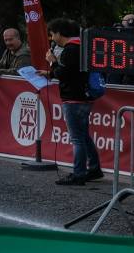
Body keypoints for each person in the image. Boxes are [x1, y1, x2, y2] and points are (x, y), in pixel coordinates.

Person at [44, 18, 103, 186]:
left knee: (77, 138)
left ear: (59, 33)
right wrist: (49, 73)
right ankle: (94, 168)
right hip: (85, 96)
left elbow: (64, 74)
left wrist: (52, 61)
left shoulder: (71, 49)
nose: (52, 38)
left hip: (73, 98)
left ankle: (79, 174)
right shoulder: (83, 46)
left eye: (52, 34)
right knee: (84, 135)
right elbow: (71, 72)